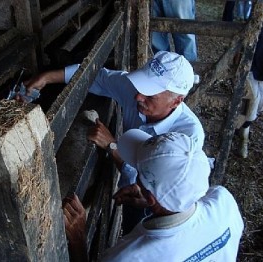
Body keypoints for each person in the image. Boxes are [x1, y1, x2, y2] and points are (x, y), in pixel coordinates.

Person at [22, 50, 205, 233]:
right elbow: (98, 77)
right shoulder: (136, 92)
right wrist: (46, 77)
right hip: (132, 194)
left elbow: (156, 190)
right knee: (128, 227)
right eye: (142, 87)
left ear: (177, 101)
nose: (138, 97)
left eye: (150, 95)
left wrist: (112, 146)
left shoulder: (188, 137)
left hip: (160, 213)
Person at [63, 131, 244, 262]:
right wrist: (152, 203)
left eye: (138, 173)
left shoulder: (129, 257)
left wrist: (78, 238)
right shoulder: (224, 204)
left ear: (151, 198)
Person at [238, 27, 263, 158]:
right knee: (251, 102)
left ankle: (240, 126)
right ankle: (244, 138)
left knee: (259, 105)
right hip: (251, 66)